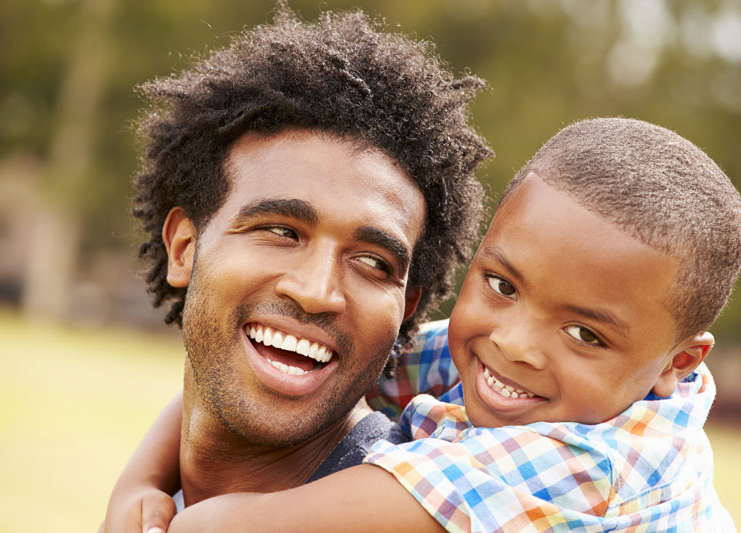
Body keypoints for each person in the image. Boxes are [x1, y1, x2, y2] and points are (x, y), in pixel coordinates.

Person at [110, 118, 741, 532]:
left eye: (586, 335)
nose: (515, 344)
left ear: (678, 363)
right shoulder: (482, 357)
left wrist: (198, 521)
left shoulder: (603, 465)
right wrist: (142, 479)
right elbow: (314, 359)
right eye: (502, 286)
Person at [101, 3, 492, 532]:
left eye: (373, 262)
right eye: (282, 232)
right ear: (183, 249)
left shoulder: (428, 509)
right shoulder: (154, 506)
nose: (316, 291)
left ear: (407, 311)